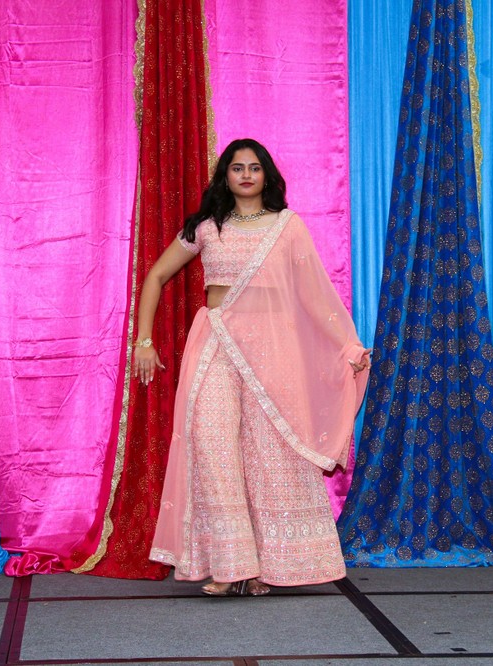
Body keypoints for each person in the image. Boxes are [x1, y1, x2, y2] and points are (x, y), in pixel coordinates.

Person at [134, 138, 371, 596]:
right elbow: (156, 276)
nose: (246, 175)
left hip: (271, 351)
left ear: (267, 176)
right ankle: (231, 564)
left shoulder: (286, 227)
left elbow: (315, 297)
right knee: (213, 447)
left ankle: (268, 567)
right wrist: (144, 341)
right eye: (237, 167)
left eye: (255, 167)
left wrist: (347, 347)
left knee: (269, 453)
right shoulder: (206, 228)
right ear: (225, 176)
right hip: (216, 343)